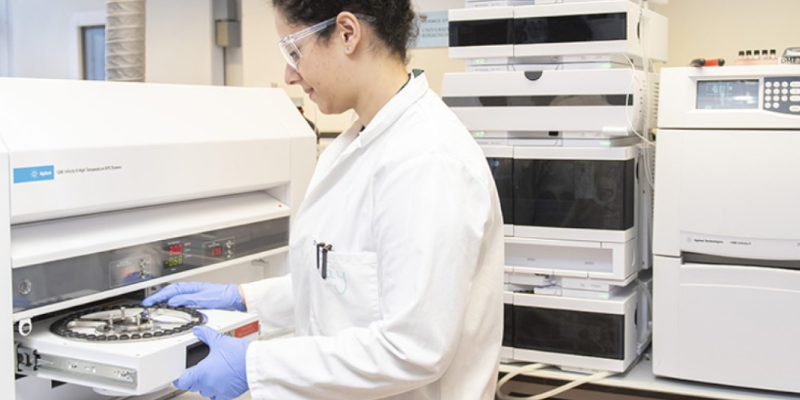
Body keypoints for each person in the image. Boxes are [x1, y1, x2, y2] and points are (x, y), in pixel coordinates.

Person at [142, 0, 504, 398]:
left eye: (293, 51)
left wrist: (255, 365)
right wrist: (245, 298)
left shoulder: (426, 160)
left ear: (347, 33)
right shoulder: (358, 143)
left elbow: (412, 349)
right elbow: (347, 284)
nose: (289, 74)